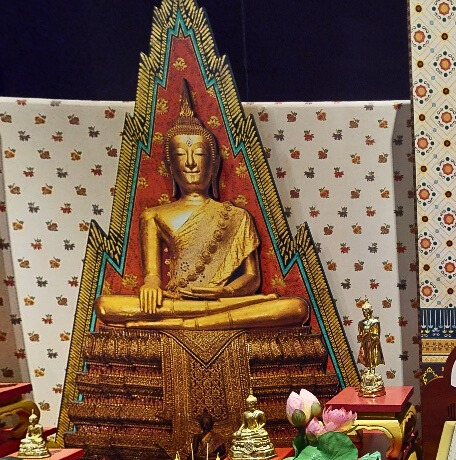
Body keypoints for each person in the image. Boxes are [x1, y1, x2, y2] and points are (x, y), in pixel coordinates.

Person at [94, 81, 309, 330]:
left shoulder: (237, 216)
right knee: (105, 306)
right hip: (176, 302)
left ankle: (188, 324)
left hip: (223, 302)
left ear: (214, 165)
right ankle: (200, 320)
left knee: (296, 308)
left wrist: (226, 292)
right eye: (180, 155)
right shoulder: (153, 216)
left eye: (198, 154)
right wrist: (151, 286)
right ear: (170, 167)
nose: (190, 163)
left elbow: (252, 277)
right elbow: (152, 275)